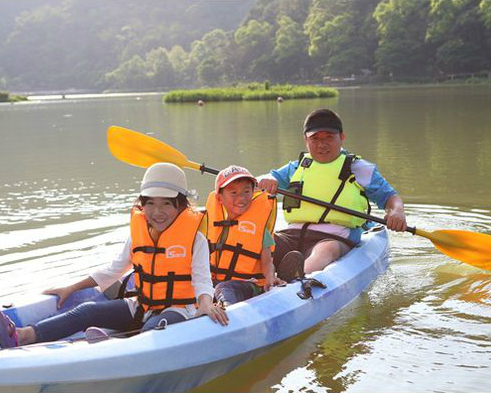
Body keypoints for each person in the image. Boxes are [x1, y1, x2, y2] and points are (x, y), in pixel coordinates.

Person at [0, 163, 228, 349]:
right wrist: (70, 288)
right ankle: (23, 335)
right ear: (142, 205)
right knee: (86, 311)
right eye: (150, 204)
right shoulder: (138, 236)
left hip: (179, 309)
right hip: (141, 305)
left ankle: (112, 346)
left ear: (180, 206)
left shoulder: (194, 239)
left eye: (166, 204)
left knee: (153, 334)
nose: (157, 212)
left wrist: (206, 304)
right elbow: (113, 270)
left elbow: (201, 279)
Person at [258, 108, 407, 280]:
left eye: (329, 137)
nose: (322, 145)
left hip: (335, 237)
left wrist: (397, 212)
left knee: (325, 250)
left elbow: (390, 197)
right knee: (263, 243)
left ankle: (294, 278)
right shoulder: (298, 166)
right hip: (292, 235)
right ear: (305, 139)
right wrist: (266, 179)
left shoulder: (358, 168)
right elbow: (267, 177)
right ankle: (246, 279)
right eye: (315, 138)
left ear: (341, 137)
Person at [204, 165, 285, 306]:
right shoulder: (207, 225)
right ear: (219, 197)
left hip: (248, 284)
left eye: (247, 192)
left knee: (224, 288)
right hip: (214, 282)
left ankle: (227, 311)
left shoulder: (259, 228)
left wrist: (270, 277)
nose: (241, 198)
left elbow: (267, 262)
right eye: (233, 193)